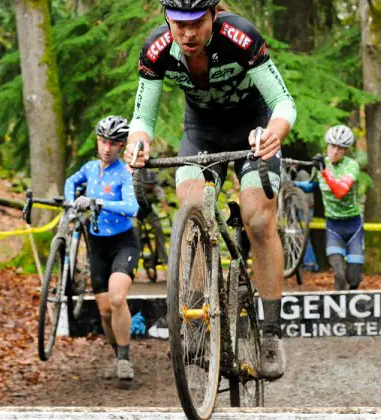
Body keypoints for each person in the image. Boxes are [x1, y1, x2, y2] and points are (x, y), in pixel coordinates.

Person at [124, 0, 297, 381]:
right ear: (167, 20)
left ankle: (270, 331)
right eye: (178, 24)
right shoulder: (156, 50)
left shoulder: (241, 36)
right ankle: (200, 320)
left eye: (197, 23)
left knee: (256, 218)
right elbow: (143, 117)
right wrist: (138, 142)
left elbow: (283, 101)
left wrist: (275, 133)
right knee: (191, 212)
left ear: (213, 17)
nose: (187, 33)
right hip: (202, 134)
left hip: (254, 129)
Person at [65, 116, 140, 383]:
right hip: (96, 245)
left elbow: (132, 209)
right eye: (102, 141)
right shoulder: (88, 168)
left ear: (121, 146)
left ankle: (125, 359)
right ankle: (118, 355)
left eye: (113, 143)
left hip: (123, 243)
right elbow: (70, 183)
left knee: (118, 298)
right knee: (106, 311)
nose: (107, 148)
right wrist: (71, 202)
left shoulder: (124, 173)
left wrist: (97, 201)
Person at [293, 125, 363, 291]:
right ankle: (340, 310)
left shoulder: (351, 166)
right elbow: (312, 186)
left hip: (353, 226)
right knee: (338, 273)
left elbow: (340, 191)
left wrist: (325, 172)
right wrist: (292, 183)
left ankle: (353, 301)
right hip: (333, 227)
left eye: (340, 148)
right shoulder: (321, 165)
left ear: (345, 150)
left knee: (353, 277)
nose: (335, 151)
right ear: (327, 146)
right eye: (332, 146)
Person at [136, 170, 170, 279]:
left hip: (149, 212)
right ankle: (135, 255)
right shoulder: (136, 189)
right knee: (135, 232)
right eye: (147, 184)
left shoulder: (157, 189)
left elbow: (163, 202)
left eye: (152, 184)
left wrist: (166, 212)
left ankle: (162, 256)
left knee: (158, 227)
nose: (150, 186)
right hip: (136, 212)